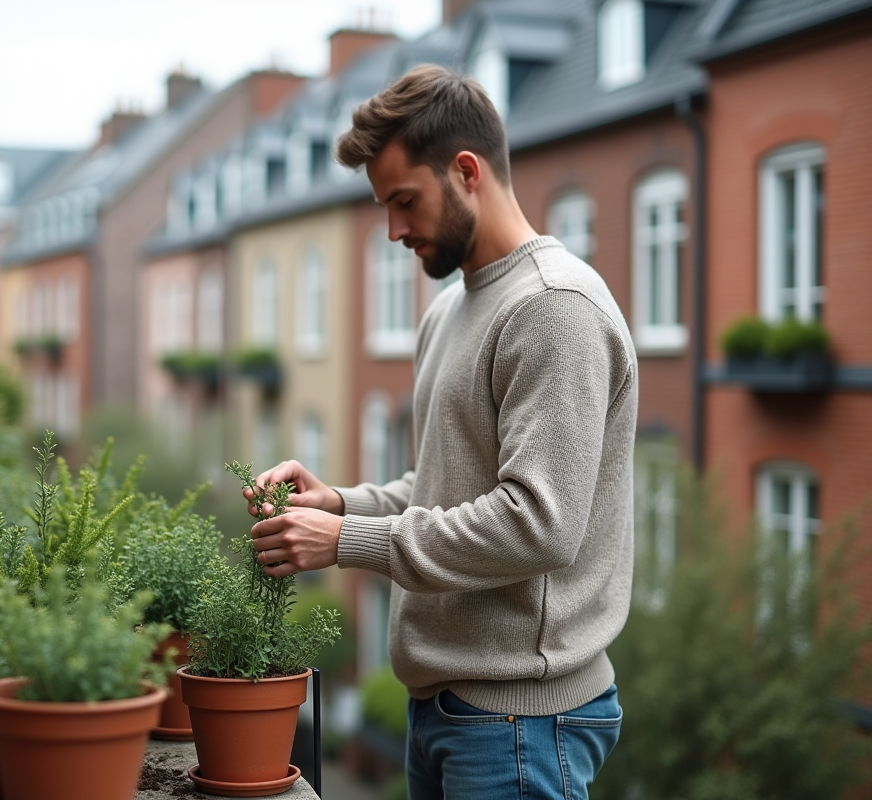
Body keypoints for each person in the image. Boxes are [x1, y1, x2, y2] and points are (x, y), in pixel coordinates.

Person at [243, 64, 638, 799]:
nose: (393, 231)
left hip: (521, 724)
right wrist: (343, 505)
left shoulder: (554, 309)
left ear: (466, 172)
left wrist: (346, 545)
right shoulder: (449, 311)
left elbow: (538, 525)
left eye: (404, 202)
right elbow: (445, 485)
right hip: (450, 712)